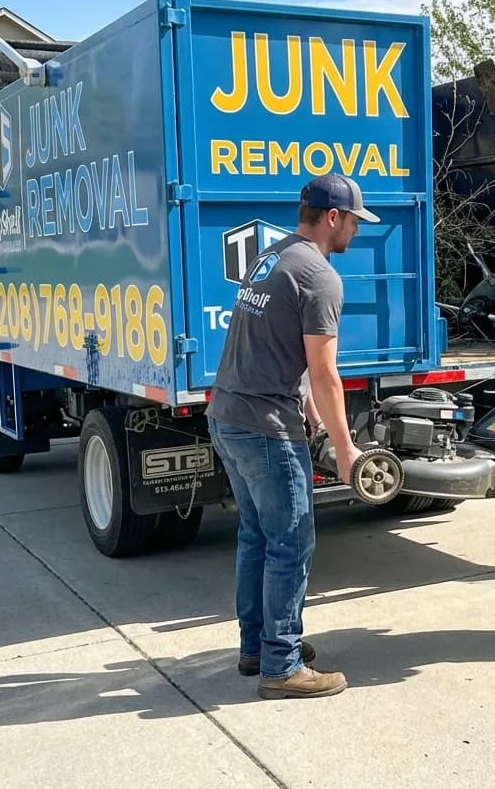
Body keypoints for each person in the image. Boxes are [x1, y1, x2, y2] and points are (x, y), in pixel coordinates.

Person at [208, 173, 378, 698]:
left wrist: (302, 395)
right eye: (353, 220)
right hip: (264, 427)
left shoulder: (274, 256)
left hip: (227, 414)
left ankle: (257, 645)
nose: (355, 229)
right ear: (333, 218)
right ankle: (281, 667)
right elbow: (327, 374)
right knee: (291, 541)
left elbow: (278, 344)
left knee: (257, 535)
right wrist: (347, 448)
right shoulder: (320, 276)